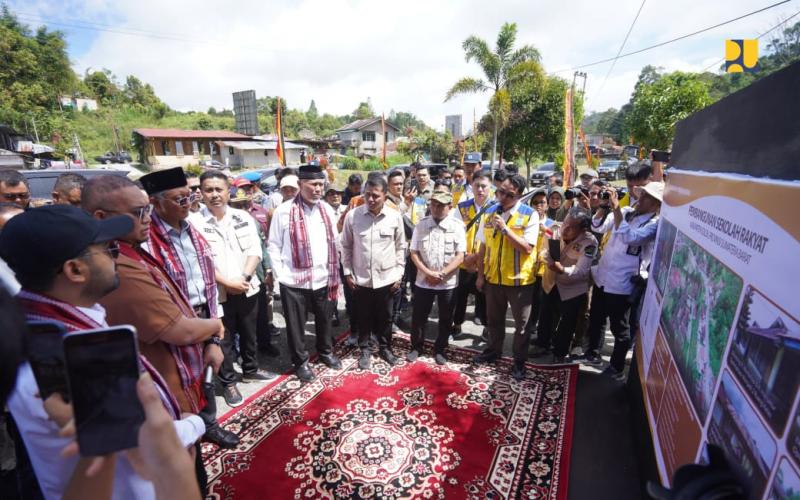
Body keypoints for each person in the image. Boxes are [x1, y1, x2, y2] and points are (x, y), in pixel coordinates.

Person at [0, 205, 205, 499]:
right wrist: (196, 423)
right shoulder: (78, 357)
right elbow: (144, 444)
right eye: (109, 249)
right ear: (74, 269)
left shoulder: (41, 326)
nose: (117, 257)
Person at [139, 167, 240, 448]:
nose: (188, 204)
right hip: (173, 321)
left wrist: (214, 323)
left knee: (207, 371)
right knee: (179, 379)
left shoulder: (191, 229)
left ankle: (208, 423)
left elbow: (206, 276)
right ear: (155, 203)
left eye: (188, 197)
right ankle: (184, 430)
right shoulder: (146, 241)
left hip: (203, 312)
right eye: (179, 199)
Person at [188, 171, 274, 407]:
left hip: (247, 286)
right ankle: (228, 382)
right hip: (218, 294)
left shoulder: (243, 217)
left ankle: (250, 369)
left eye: (219, 189)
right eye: (209, 190)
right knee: (222, 340)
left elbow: (255, 251)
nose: (214, 195)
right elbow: (199, 262)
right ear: (201, 193)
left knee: (250, 333)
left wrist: (243, 278)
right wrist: (227, 283)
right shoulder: (192, 223)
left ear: (229, 191)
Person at [267, 163, 342, 382]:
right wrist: (282, 275)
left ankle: (325, 351)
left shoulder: (326, 209)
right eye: (314, 184)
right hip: (294, 281)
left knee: (324, 320)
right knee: (296, 327)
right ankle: (300, 363)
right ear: (300, 184)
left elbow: (335, 242)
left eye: (321, 184)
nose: (319, 189)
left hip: (323, 278)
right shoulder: (283, 211)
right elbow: (273, 245)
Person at [583, 183, 662, 379]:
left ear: (656, 205)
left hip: (623, 282)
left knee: (620, 327)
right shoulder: (626, 211)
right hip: (604, 275)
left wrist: (616, 207)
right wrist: (604, 206)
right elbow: (597, 225)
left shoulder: (654, 224)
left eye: (646, 198)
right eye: (641, 195)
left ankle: (616, 367)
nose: (640, 199)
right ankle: (592, 353)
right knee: (596, 318)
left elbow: (631, 238)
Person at [472, 174, 539, 380]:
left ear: (518, 195)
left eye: (507, 194)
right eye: (499, 191)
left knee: (522, 327)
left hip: (519, 281)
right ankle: (493, 351)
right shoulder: (490, 212)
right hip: (493, 279)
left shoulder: (530, 215)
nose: (501, 197)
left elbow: (527, 248)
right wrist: (481, 275)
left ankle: (519, 362)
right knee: (494, 321)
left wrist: (506, 230)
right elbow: (483, 246)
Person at [341, 176, 406, 370]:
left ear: (385, 196)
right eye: (367, 195)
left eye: (375, 196)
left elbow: (400, 248)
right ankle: (365, 350)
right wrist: (347, 273)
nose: (370, 199)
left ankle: (385, 348)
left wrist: (399, 275)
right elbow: (345, 246)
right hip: (361, 279)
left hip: (387, 279)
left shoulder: (394, 217)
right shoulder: (353, 216)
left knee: (386, 317)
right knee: (363, 317)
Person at [407, 191, 465, 365]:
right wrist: (428, 273)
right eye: (433, 204)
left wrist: (442, 274)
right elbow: (413, 252)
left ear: (450, 207)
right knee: (418, 317)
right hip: (423, 281)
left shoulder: (457, 226)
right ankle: (416, 347)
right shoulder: (421, 225)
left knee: (446, 318)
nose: (436, 208)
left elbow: (460, 255)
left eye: (441, 205)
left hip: (447, 283)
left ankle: (440, 348)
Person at [532, 208, 597, 363]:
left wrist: (562, 270)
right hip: (550, 282)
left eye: (571, 227)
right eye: (565, 223)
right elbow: (542, 250)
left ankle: (560, 353)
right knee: (546, 315)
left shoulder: (590, 242)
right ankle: (542, 344)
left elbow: (581, 271)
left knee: (567, 322)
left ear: (583, 229)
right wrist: (546, 258)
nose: (565, 229)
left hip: (572, 288)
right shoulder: (554, 229)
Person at [230, 177, 281, 345]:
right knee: (242, 321)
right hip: (237, 276)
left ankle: (265, 344)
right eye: (237, 205)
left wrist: (268, 270)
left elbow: (263, 245)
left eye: (244, 204)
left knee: (262, 314)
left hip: (257, 274)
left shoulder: (257, 216)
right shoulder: (225, 222)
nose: (242, 208)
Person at [451, 171, 493, 338]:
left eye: (484, 186)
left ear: (490, 188)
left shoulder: (496, 209)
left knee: (485, 299)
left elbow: (495, 239)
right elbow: (455, 234)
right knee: (459, 296)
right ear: (471, 187)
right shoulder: (462, 208)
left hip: (486, 263)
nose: (480, 189)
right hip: (463, 261)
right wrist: (465, 256)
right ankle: (457, 324)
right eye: (477, 186)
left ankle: (486, 327)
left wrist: (476, 257)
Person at [522, 189, 552, 342]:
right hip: (527, 267)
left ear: (547, 205)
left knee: (540, 298)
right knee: (527, 298)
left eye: (542, 202)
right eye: (535, 203)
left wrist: (545, 230)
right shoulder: (526, 221)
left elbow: (557, 242)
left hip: (543, 269)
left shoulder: (551, 224)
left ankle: (536, 325)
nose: (539, 206)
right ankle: (528, 324)